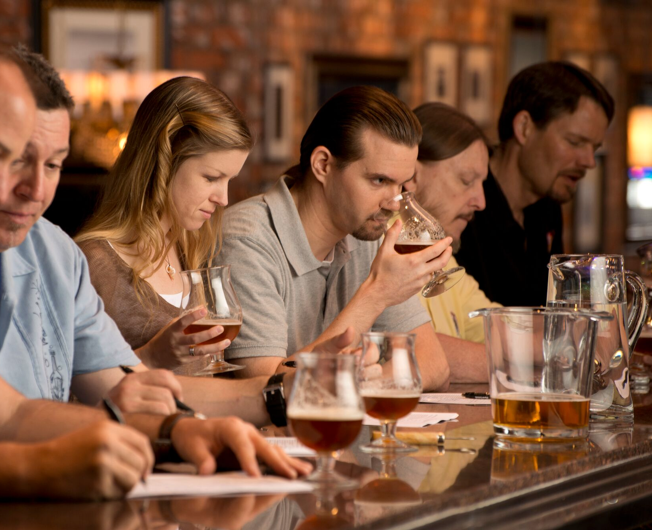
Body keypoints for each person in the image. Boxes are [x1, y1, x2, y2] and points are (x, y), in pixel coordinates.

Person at [0, 25, 306, 502]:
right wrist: (37, 467)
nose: (4, 188)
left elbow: (5, 415)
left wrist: (173, 433)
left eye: (52, 164)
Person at [215, 86, 452, 390]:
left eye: (402, 185)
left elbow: (433, 364)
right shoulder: (247, 240)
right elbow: (267, 389)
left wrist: (358, 385)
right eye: (379, 180)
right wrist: (377, 292)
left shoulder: (367, 233)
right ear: (323, 165)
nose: (395, 202)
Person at [76, 76, 252, 373]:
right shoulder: (91, 264)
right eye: (211, 178)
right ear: (163, 160)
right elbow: (61, 396)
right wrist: (150, 357)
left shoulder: (191, 251)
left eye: (229, 181)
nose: (223, 198)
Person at [456, 61, 614, 306]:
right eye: (574, 142)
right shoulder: (464, 203)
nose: (589, 161)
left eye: (594, 148)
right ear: (524, 127)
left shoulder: (547, 208)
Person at [401, 103, 503, 382]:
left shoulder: (440, 253)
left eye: (482, 184)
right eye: (466, 180)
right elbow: (416, 351)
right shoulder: (380, 246)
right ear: (411, 175)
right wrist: (556, 357)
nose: (481, 202)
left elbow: (503, 329)